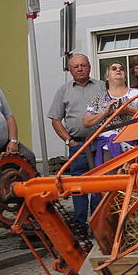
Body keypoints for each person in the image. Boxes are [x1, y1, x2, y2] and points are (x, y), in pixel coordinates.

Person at [48, 54, 103, 227]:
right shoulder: (63, 91)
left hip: (100, 143)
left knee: (99, 184)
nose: (80, 69)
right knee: (77, 186)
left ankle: (97, 222)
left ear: (89, 67)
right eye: (76, 66)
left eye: (83, 65)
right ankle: (80, 223)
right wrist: (68, 141)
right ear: (70, 70)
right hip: (77, 145)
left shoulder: (102, 86)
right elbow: (55, 119)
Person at [83, 61, 138, 165]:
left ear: (125, 77)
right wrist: (105, 112)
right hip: (107, 148)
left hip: (133, 146)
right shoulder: (98, 98)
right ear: (107, 77)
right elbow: (86, 122)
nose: (118, 70)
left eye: (121, 69)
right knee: (110, 179)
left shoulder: (137, 94)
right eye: (114, 68)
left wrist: (128, 110)